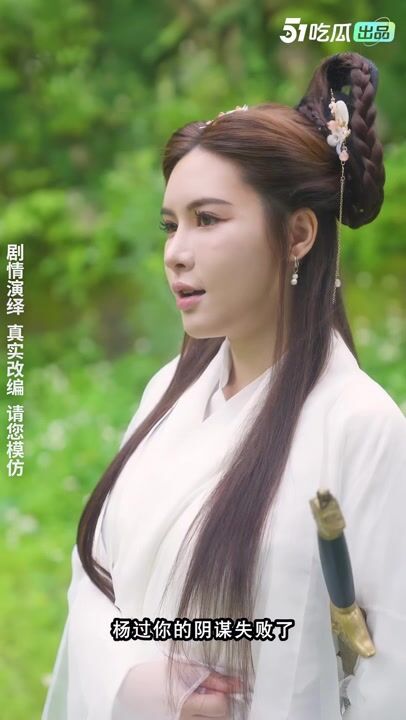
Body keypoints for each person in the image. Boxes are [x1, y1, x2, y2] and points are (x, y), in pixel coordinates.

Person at [41, 51, 406, 720]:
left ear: (298, 234)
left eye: (207, 220)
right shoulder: (167, 394)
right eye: (170, 225)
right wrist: (138, 684)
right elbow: (95, 573)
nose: (176, 252)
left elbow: (390, 675)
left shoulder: (360, 425)